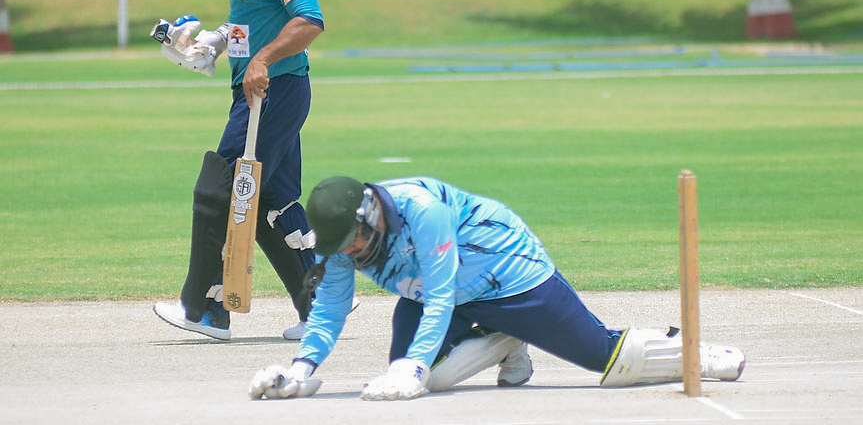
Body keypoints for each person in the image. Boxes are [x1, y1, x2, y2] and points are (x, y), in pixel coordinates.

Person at [248, 176, 746, 400]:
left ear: (369, 214)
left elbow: (441, 294)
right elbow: (330, 309)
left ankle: (698, 355)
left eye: (353, 242)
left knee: (604, 358)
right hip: (437, 293)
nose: (351, 254)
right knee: (424, 377)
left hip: (508, 275)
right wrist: (299, 371)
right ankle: (505, 340)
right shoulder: (338, 241)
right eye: (340, 249)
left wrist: (412, 366)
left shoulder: (422, 210)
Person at [153, 0, 325, 342]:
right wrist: (211, 43)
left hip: (272, 91)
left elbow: (309, 21)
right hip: (267, 91)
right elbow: (251, 20)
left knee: (220, 188)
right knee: (270, 200)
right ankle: (321, 308)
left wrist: (262, 60)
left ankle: (205, 309)